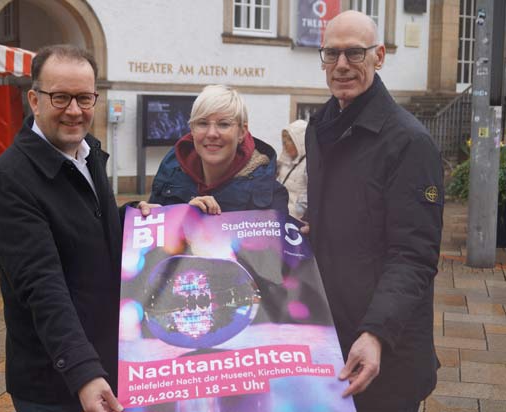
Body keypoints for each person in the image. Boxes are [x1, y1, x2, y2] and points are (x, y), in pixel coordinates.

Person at [304, 11, 443, 412]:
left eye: (354, 53)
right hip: (331, 337)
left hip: (385, 352)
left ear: (378, 56)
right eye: (331, 53)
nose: (341, 65)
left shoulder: (409, 142)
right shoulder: (320, 127)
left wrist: (375, 333)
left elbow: (413, 255)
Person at [0, 45, 123, 412]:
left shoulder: (87, 152)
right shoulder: (10, 178)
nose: (74, 110)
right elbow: (42, 286)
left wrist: (145, 218)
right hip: (54, 382)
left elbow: (88, 227)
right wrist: (83, 371)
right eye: (60, 97)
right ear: (35, 100)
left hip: (103, 360)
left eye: (84, 98)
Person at [138, 84, 288, 216]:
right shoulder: (170, 173)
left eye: (224, 124)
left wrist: (202, 222)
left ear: (242, 132)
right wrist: (139, 214)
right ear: (192, 129)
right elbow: (154, 236)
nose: (211, 134)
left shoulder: (270, 192)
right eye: (202, 123)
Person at [277, 119, 308, 220]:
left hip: (299, 221)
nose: (285, 143)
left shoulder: (309, 165)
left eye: (290, 139)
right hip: (282, 216)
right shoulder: (284, 163)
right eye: (284, 140)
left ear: (300, 141)